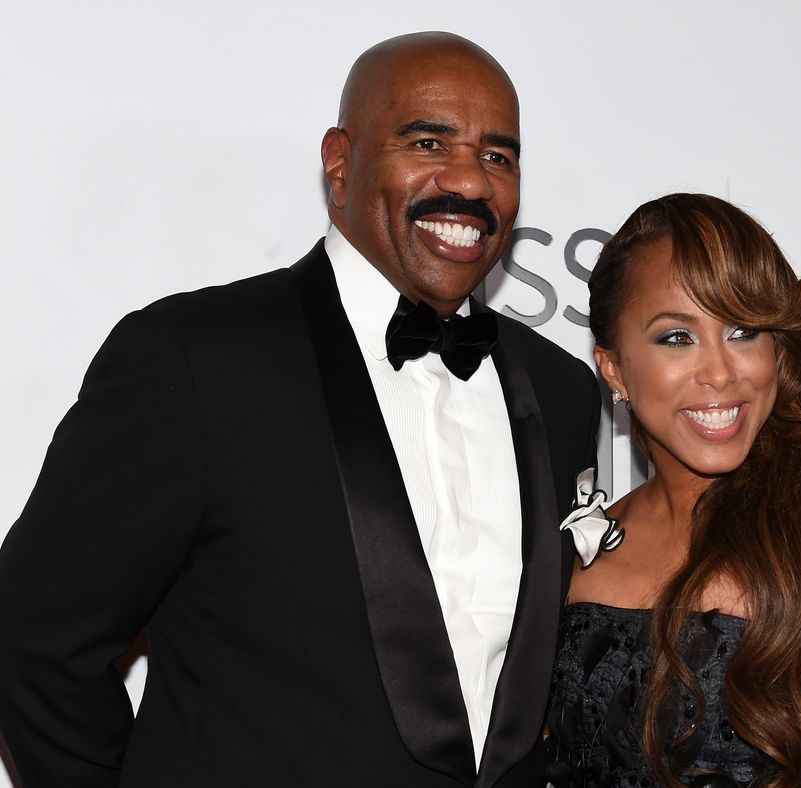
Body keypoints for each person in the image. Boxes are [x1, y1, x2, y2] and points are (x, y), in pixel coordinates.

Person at [0, 32, 600, 788]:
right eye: (427, 140)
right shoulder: (194, 360)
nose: (470, 183)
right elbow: (34, 636)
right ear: (340, 159)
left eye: (498, 156)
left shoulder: (562, 388)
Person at [543, 194, 801, 787]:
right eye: (676, 338)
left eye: (743, 331)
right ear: (614, 369)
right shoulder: (575, 553)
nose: (721, 372)